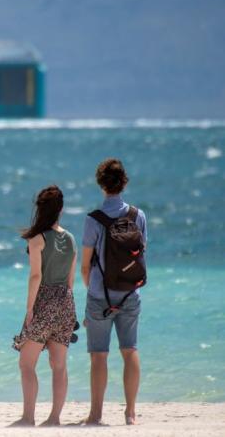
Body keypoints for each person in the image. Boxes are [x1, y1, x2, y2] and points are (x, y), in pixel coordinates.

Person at [81, 158, 147, 426]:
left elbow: (85, 265)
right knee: (129, 349)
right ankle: (130, 413)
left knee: (99, 355)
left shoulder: (93, 219)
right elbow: (142, 253)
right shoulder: (138, 215)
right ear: (124, 182)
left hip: (100, 295)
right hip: (131, 293)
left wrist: (93, 289)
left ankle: (96, 414)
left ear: (101, 184)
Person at [10, 185, 77, 427]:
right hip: (67, 301)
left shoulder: (37, 238)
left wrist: (30, 310)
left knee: (27, 363)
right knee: (59, 365)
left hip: (45, 302)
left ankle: (28, 417)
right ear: (60, 209)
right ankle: (54, 418)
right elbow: (71, 280)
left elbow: (36, 276)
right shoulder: (70, 239)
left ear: (40, 209)